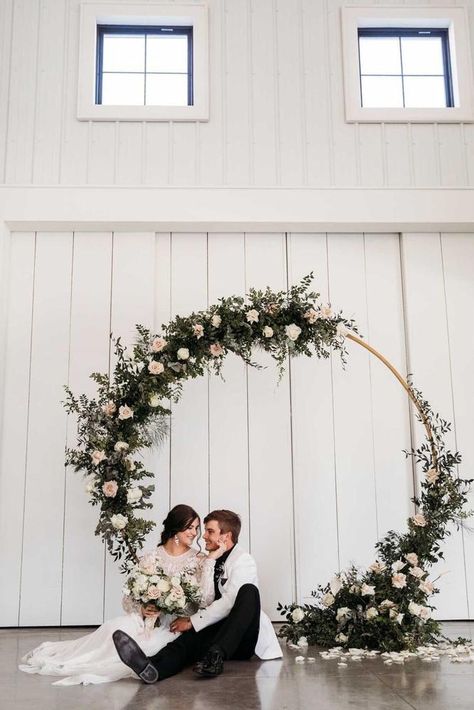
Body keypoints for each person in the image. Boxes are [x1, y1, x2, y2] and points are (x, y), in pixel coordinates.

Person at [19, 504, 220, 685]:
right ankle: (76, 655)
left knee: (147, 647)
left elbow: (206, 600)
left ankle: (138, 663)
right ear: (176, 528)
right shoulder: (151, 557)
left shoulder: (199, 560)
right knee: (114, 628)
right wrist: (143, 608)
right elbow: (128, 599)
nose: (195, 533)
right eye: (190, 527)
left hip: (172, 626)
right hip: (145, 620)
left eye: (196, 528)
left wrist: (210, 561)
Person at [113, 509, 282, 683]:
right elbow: (203, 599)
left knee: (248, 591)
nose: (203, 536)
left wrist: (192, 622)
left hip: (242, 638)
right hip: (217, 628)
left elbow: (229, 602)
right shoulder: (210, 558)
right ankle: (152, 667)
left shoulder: (243, 560)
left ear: (226, 536)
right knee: (185, 642)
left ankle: (216, 655)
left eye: (210, 531)